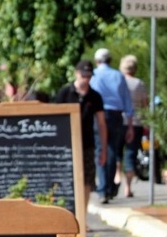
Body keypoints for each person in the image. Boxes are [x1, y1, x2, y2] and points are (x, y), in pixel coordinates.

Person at [53, 59, 107, 205]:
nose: (86, 79)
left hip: (87, 144)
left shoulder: (95, 96)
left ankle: (82, 215)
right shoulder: (65, 93)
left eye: (89, 76)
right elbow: (54, 119)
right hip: (66, 145)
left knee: (87, 181)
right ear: (76, 73)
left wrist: (103, 149)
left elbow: (102, 123)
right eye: (83, 76)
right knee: (66, 180)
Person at [91, 47, 133, 203]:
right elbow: (127, 101)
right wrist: (130, 125)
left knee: (101, 150)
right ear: (110, 60)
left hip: (99, 115)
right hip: (116, 116)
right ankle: (108, 188)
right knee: (112, 151)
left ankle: (103, 189)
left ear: (97, 61)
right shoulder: (118, 75)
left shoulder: (94, 75)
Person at [118, 54, 148, 197]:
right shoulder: (139, 84)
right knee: (130, 154)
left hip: (119, 121)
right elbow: (145, 104)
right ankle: (127, 188)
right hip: (136, 123)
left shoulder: (118, 82)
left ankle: (116, 176)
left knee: (117, 152)